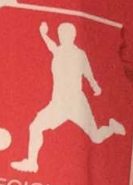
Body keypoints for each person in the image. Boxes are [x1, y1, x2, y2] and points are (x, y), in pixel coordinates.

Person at [11, 21, 125, 173]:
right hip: (58, 104)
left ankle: (112, 127)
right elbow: (50, 45)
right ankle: (32, 163)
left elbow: (88, 73)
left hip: (76, 103)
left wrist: (95, 87)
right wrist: (43, 34)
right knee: (35, 127)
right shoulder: (58, 51)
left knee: (96, 137)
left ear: (73, 36)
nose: (62, 37)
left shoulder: (79, 54)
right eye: (60, 34)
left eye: (66, 34)